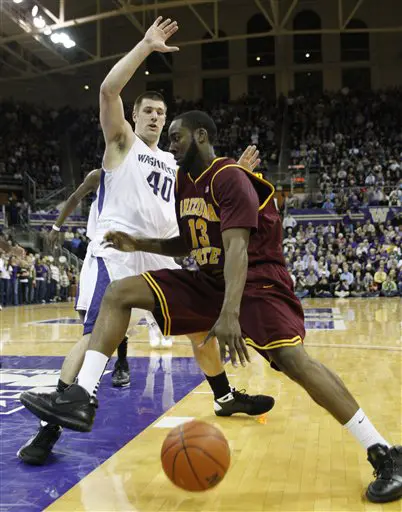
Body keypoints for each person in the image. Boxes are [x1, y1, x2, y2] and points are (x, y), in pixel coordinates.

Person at [21, 109, 402, 503]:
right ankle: (82, 396)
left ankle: (384, 452)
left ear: (200, 136)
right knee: (119, 293)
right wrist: (139, 244)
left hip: (256, 282)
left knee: (294, 361)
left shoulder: (230, 177)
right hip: (208, 280)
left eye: (176, 136)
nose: (170, 144)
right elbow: (188, 244)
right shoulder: (186, 181)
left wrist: (230, 314)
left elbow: (237, 248)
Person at [18, 20, 274, 466]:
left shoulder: (178, 166)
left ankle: (224, 396)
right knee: (91, 334)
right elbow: (106, 91)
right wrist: (145, 46)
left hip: (158, 254)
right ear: (135, 116)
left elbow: (212, 201)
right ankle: (51, 427)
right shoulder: (122, 144)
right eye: (149, 110)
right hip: (116, 253)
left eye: (162, 111)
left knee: (199, 331)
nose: (156, 116)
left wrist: (244, 176)